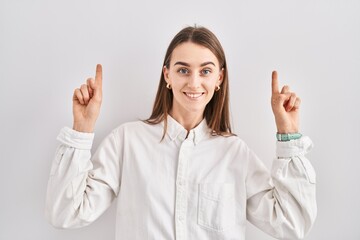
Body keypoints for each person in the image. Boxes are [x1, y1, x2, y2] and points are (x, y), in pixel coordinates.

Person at [45, 26, 317, 240]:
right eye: (183, 69)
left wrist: (288, 135)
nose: (194, 82)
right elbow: (65, 213)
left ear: (219, 79)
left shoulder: (234, 154)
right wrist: (82, 129)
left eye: (206, 71)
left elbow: (292, 224)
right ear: (167, 75)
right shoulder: (127, 142)